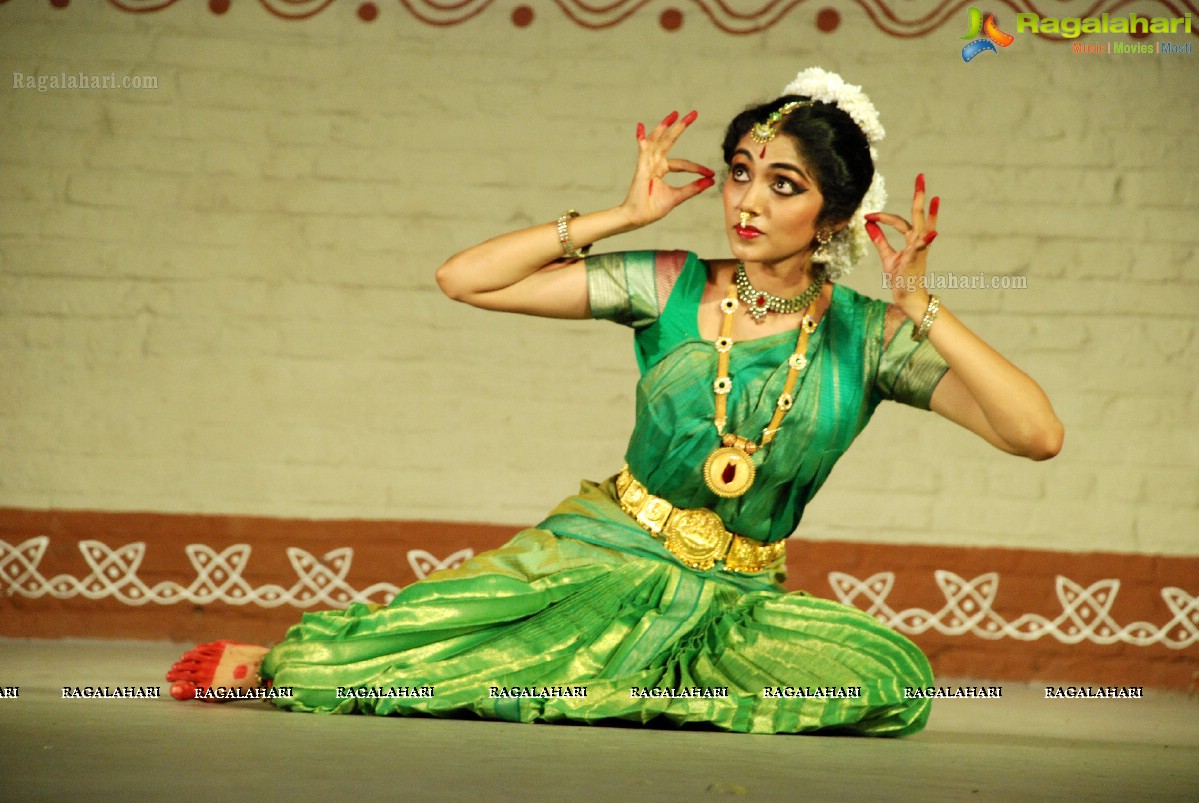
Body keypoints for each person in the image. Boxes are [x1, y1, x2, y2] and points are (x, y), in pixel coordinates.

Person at [167, 68, 1062, 736]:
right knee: (385, 647)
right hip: (601, 550)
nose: (746, 200)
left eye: (782, 185)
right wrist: (615, 220)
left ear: (834, 215)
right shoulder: (668, 285)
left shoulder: (867, 337)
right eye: (740, 171)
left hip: (734, 597)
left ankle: (599, 685)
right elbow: (464, 279)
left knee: (890, 683)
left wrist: (922, 308)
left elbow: (1035, 435)